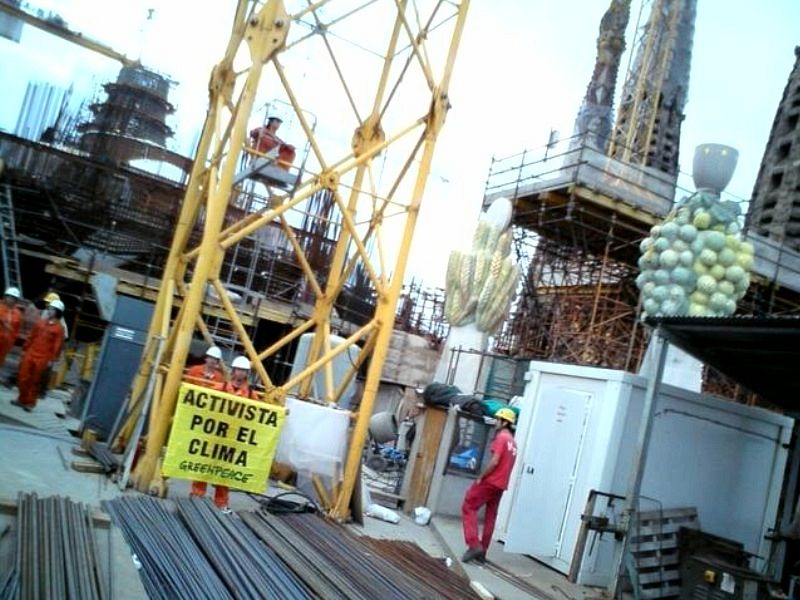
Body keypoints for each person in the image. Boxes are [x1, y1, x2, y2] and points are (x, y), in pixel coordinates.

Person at [190, 355, 255, 510]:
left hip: (233, 441)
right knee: (205, 467)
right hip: (215, 437)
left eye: (243, 371)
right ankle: (196, 496)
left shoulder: (252, 396)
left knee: (224, 474)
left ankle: (221, 503)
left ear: (247, 373)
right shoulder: (220, 388)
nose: (240, 373)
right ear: (233, 371)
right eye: (238, 369)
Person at [461, 407, 518, 563]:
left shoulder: (501, 438)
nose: (496, 423)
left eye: (498, 419)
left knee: (469, 506)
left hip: (491, 481)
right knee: (490, 517)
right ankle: (482, 552)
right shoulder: (513, 443)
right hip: (501, 485)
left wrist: (481, 476)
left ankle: (473, 545)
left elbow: (494, 461)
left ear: (505, 422)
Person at [12, 298, 65, 412]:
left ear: (58, 312)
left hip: (43, 357)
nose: (49, 311)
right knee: (23, 376)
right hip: (31, 352)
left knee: (35, 380)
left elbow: (57, 345)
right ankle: (21, 399)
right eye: (49, 309)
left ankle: (30, 403)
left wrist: (52, 359)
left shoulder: (59, 329)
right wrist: (25, 348)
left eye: (52, 309)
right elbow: (32, 336)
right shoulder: (41, 322)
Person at [0, 287, 22, 369]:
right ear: (5, 297)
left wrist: (11, 342)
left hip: (6, 343)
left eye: (13, 298)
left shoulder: (18, 314)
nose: (10, 299)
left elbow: (16, 330)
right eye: (9, 297)